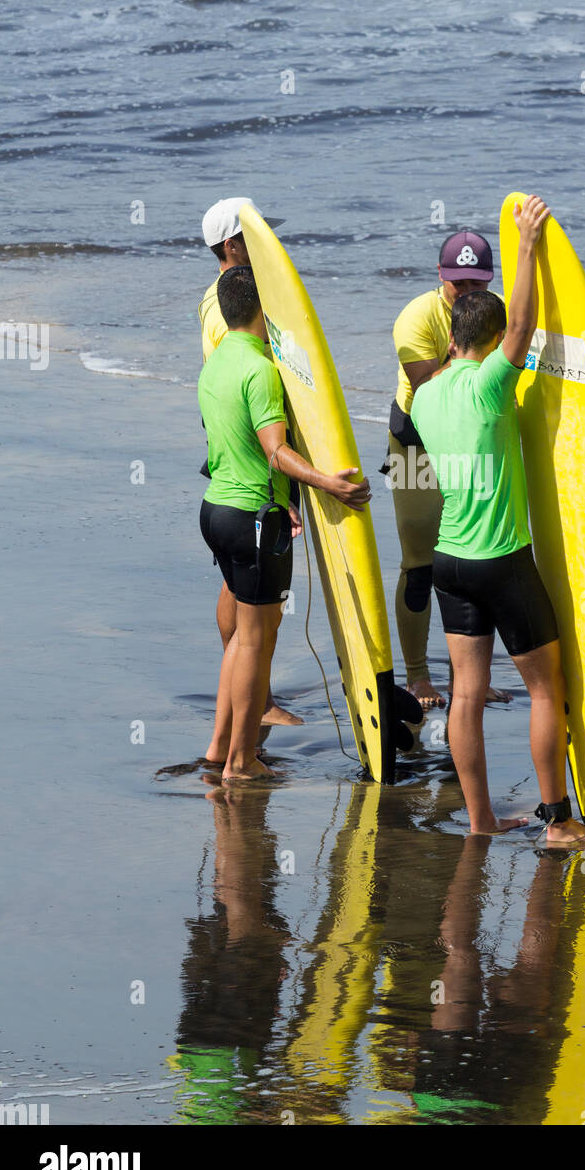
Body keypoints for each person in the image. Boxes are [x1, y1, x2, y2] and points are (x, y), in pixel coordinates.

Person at [411, 195, 585, 844]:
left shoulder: (425, 393)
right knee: (546, 690)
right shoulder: (491, 382)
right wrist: (526, 246)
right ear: (489, 345)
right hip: (500, 559)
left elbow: (500, 330)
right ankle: (557, 823)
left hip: (449, 562)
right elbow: (520, 325)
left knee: (467, 694)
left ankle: (481, 820)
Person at [198, 266, 371, 781]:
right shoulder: (261, 370)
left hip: (216, 511)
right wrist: (328, 483)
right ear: (262, 308)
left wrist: (281, 499)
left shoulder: (215, 364)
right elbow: (275, 450)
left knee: (242, 640)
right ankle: (241, 762)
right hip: (252, 519)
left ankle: (218, 749)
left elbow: (230, 444)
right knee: (255, 640)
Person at [387, 229, 512, 712]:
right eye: (459, 284)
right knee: (420, 564)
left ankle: (471, 678)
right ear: (441, 275)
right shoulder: (416, 318)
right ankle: (417, 677)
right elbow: (427, 387)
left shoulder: (492, 311)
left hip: (471, 442)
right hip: (416, 445)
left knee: (481, 558)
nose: (468, 293)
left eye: (478, 284)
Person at [199, 196, 300, 728]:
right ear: (234, 245)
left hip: (231, 468)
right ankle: (253, 702)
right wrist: (286, 484)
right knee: (254, 609)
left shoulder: (219, 299)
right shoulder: (231, 312)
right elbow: (247, 393)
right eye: (256, 241)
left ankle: (245, 690)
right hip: (249, 465)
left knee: (238, 590)